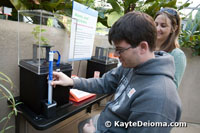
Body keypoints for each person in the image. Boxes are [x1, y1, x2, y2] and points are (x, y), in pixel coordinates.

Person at [51, 11, 181, 133]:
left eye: (120, 49)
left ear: (142, 47)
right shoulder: (131, 66)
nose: (115, 54)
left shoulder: (158, 99)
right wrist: (72, 81)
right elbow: (104, 83)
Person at [154, 7, 187, 88]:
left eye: (163, 26)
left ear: (174, 28)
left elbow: (172, 87)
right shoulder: (147, 47)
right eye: (156, 24)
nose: (158, 29)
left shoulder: (177, 55)